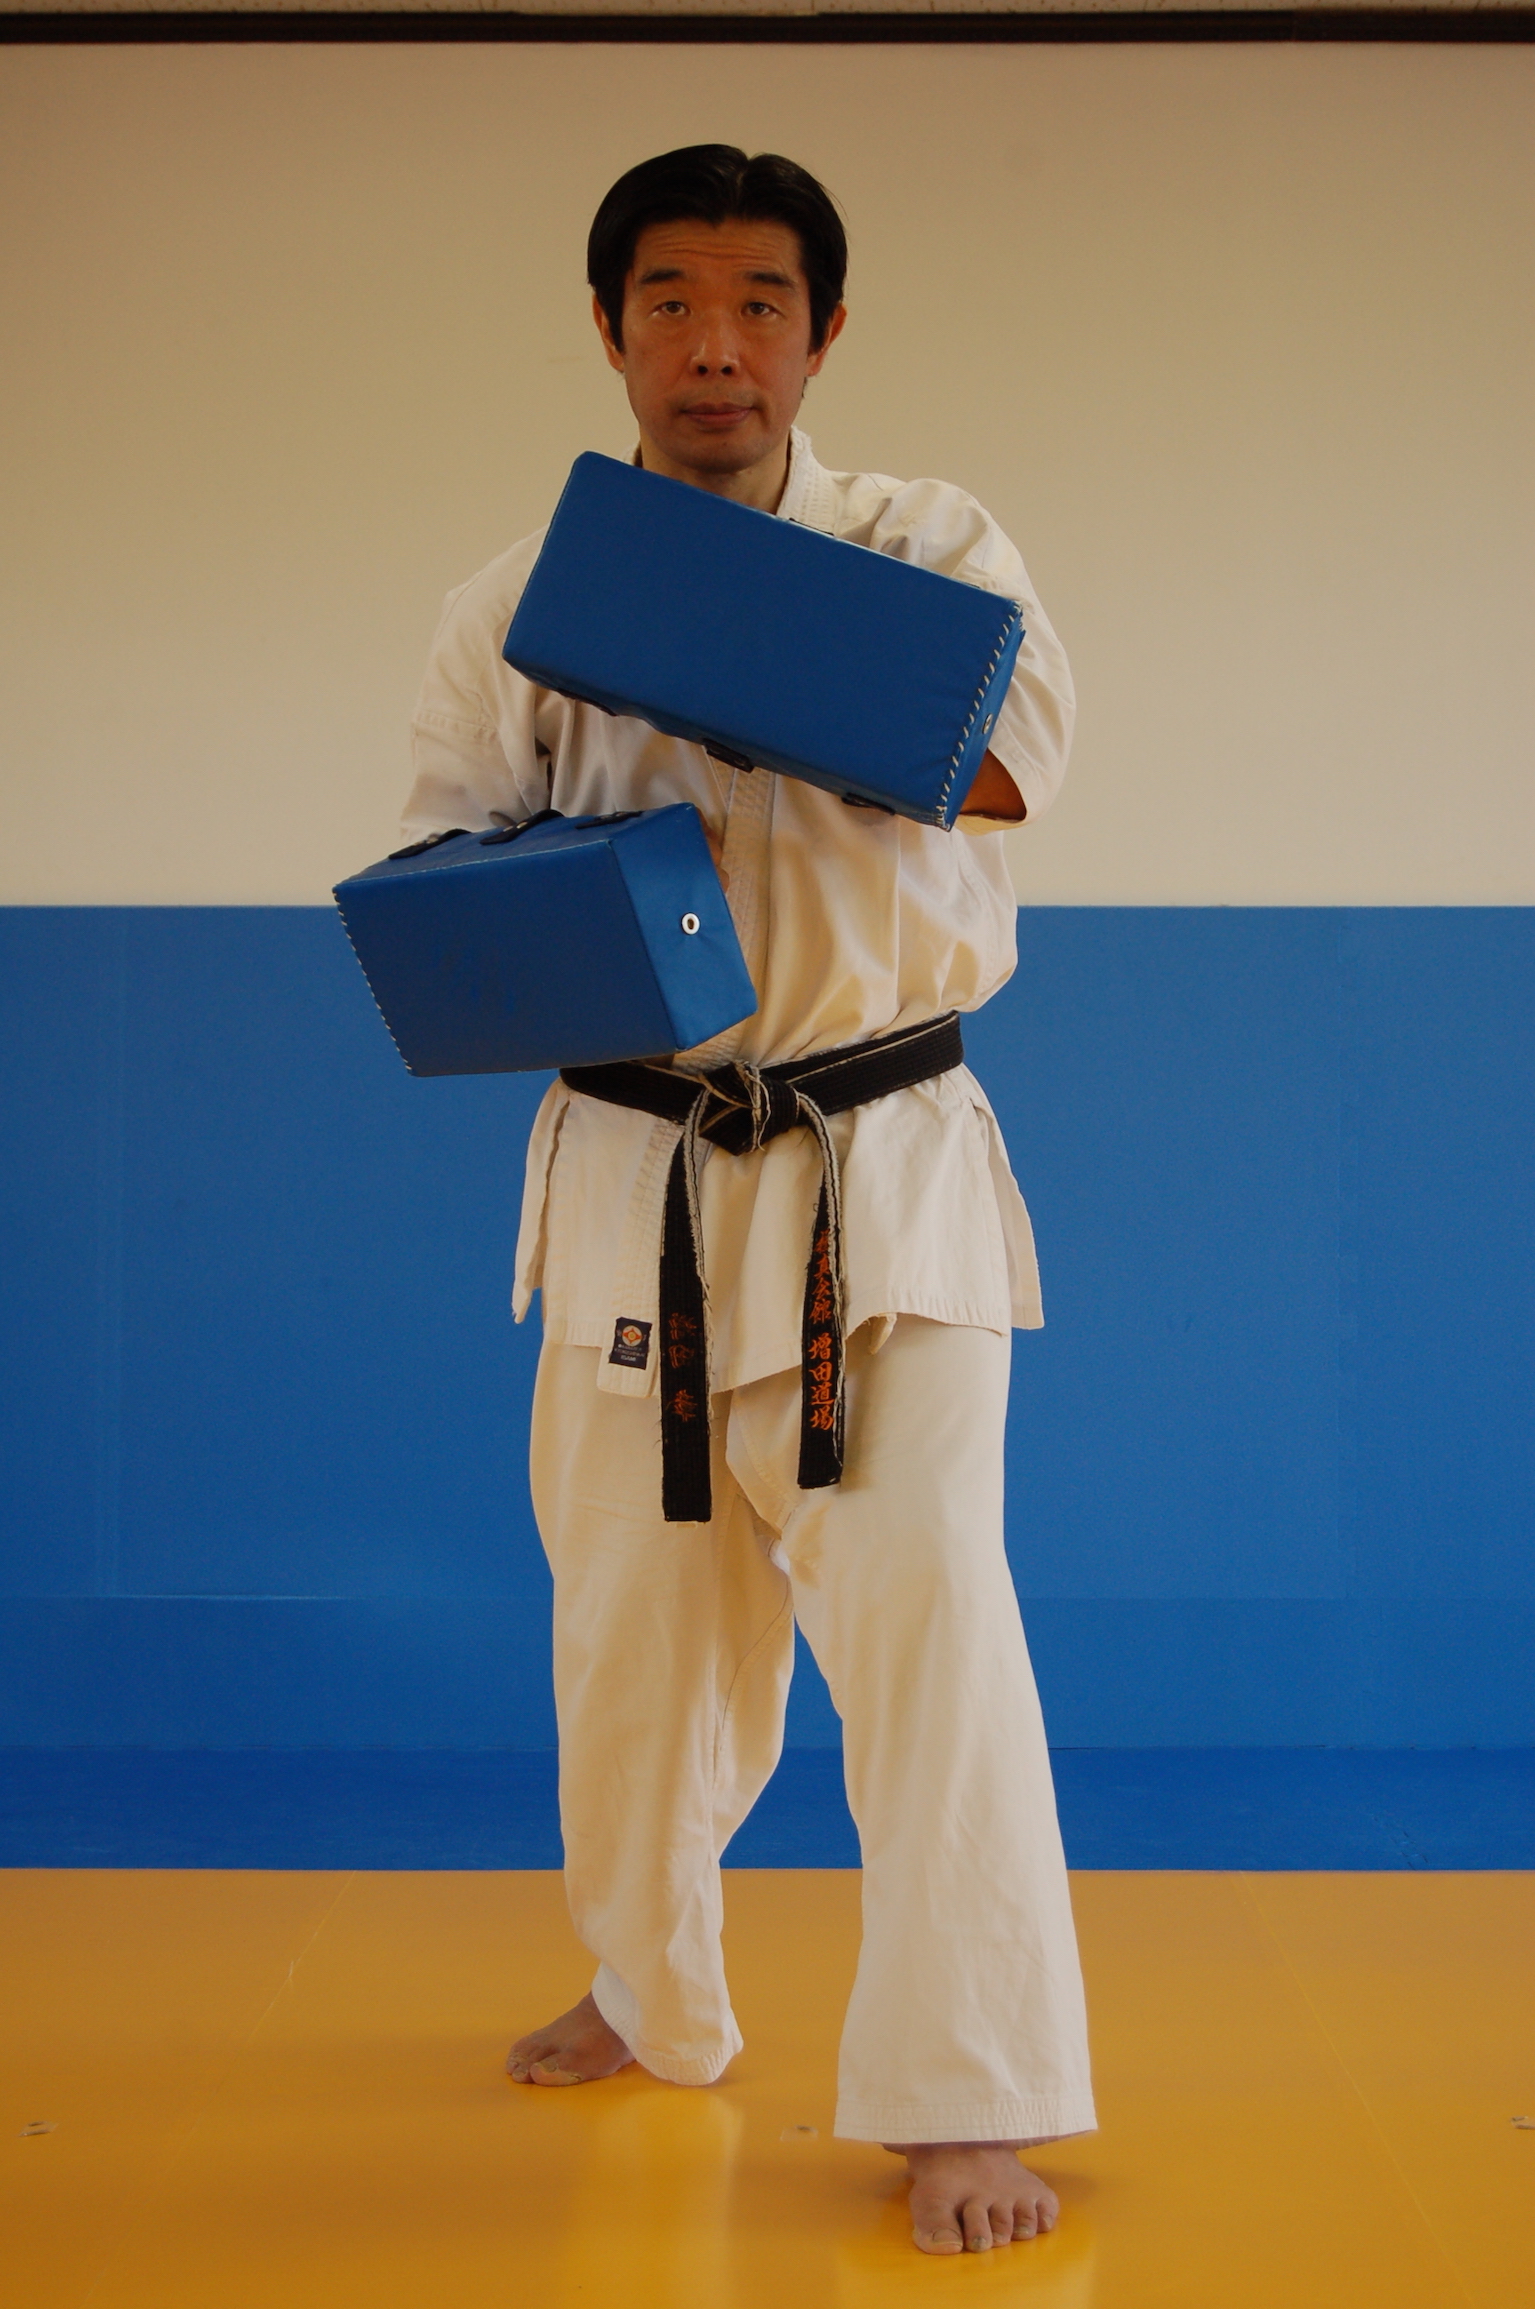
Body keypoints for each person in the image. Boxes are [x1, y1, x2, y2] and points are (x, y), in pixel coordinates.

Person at [402, 144, 1095, 2258]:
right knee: (633, 1636)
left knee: (934, 1622)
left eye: (763, 304)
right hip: (638, 1170)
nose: (718, 345)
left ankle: (969, 2096)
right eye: (674, 303)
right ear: (610, 330)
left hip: (884, 1172)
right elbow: (442, 872)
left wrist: (713, 647)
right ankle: (651, 1988)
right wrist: (584, 872)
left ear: (825, 333)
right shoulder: (516, 603)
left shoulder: (927, 545)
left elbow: (1011, 764)